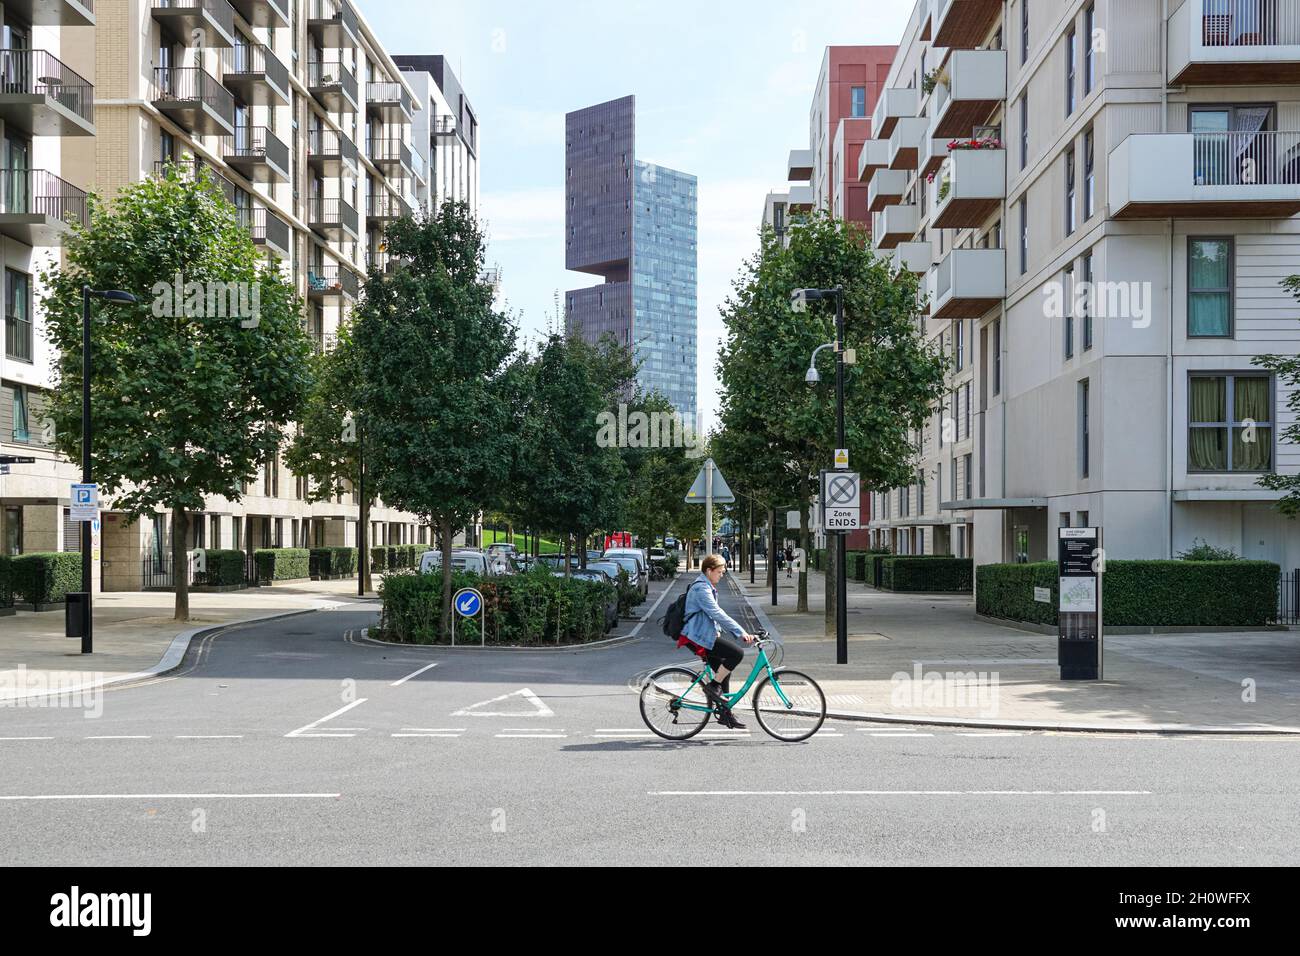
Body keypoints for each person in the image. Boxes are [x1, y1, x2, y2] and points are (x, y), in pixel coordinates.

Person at [677, 554, 756, 728]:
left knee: (723, 670)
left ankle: (725, 714)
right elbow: (716, 613)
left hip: (703, 635)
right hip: (698, 637)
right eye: (719, 571)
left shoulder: (707, 586)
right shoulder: (701, 589)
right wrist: (741, 632)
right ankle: (712, 686)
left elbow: (711, 617)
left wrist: (719, 632)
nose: (722, 575)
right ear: (709, 570)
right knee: (737, 653)